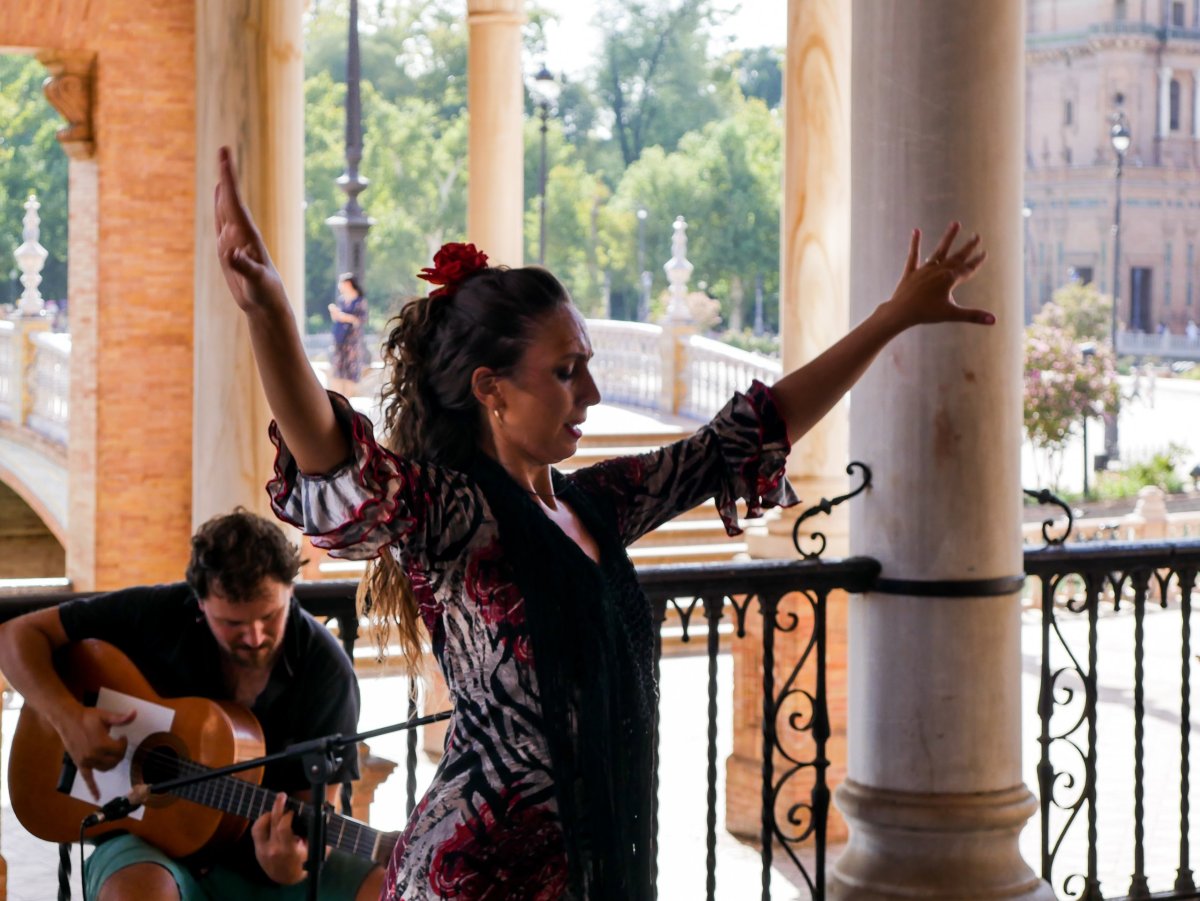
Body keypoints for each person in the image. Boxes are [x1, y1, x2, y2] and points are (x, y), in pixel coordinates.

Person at [213, 146, 991, 900]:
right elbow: (330, 460)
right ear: (493, 390)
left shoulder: (593, 504)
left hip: (587, 868)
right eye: (563, 371)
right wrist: (269, 312)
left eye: (584, 363)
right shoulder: (454, 515)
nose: (589, 391)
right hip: (479, 877)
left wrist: (890, 319)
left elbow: (747, 431)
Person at [0, 509, 385, 901]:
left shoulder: (325, 671)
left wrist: (293, 863)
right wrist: (67, 718)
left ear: (290, 590)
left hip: (262, 856)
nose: (254, 637)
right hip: (148, 843)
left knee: (384, 884)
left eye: (270, 617)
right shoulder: (160, 613)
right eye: (232, 624)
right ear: (200, 603)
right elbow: (16, 636)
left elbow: (318, 815)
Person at [328, 273, 369, 397]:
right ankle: (340, 395)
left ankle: (349, 396)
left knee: (351, 367)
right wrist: (334, 312)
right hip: (340, 338)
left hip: (352, 339)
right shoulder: (341, 300)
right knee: (339, 366)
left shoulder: (360, 301)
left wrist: (344, 316)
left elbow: (361, 320)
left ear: (349, 284)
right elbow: (337, 318)